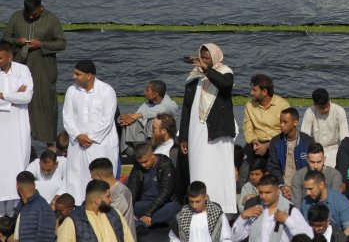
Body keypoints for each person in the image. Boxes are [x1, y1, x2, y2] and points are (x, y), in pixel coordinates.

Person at [180, 44, 238, 216]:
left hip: (217, 132)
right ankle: (199, 205)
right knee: (199, 168)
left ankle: (222, 209)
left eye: (207, 58)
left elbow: (225, 84)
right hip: (196, 131)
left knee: (219, 169)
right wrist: (183, 136)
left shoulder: (225, 72)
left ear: (215, 57)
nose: (203, 61)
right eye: (202, 57)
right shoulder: (193, 77)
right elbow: (186, 109)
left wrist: (206, 69)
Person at [2, 0, 65, 145]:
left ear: (41, 8)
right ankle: (18, 143)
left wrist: (41, 44)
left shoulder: (51, 19)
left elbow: (61, 43)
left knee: (45, 107)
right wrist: (18, 41)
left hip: (43, 70)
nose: (30, 16)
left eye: (34, 14)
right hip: (19, 68)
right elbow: (5, 38)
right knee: (19, 103)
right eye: (28, 14)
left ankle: (50, 147)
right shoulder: (17, 17)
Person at [62, 61, 118, 202]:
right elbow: (67, 116)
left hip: (100, 144)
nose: (74, 77)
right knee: (76, 177)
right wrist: (78, 135)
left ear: (89, 76)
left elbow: (107, 120)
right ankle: (77, 207)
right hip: (77, 144)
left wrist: (90, 138)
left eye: (78, 74)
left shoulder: (106, 90)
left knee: (99, 177)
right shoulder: (71, 91)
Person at [232, 174, 313, 242]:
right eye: (261, 192)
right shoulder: (257, 211)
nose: (263, 196)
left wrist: (287, 220)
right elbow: (235, 238)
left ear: (277, 190)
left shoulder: (289, 210)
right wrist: (243, 216)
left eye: (267, 192)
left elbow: (308, 236)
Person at [56, 179, 137, 242]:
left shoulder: (115, 215)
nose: (110, 200)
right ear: (97, 200)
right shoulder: (72, 221)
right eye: (107, 197)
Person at [156, 181, 233, 242]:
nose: (194, 205)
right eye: (191, 202)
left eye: (198, 201)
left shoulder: (217, 215)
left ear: (206, 197)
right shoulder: (182, 215)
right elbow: (173, 238)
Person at [0, 42, 32, 216]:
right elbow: (20, 97)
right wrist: (14, 96)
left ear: (10, 57)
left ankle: (13, 211)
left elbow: (27, 96)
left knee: (16, 164)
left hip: (17, 125)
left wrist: (4, 95)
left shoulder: (22, 71)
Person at [119, 80, 178, 158]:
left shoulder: (169, 104)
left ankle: (145, 151)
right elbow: (135, 117)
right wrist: (124, 118)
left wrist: (140, 115)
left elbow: (162, 109)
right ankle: (131, 151)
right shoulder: (147, 104)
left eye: (147, 91)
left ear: (154, 94)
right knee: (130, 122)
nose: (144, 92)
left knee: (153, 120)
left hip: (160, 138)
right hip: (145, 136)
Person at [4, 171, 56, 242]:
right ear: (34, 185)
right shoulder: (22, 207)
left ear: (17, 186)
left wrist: (9, 240)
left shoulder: (40, 209)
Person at [127, 142, 179, 228]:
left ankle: (141, 223)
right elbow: (131, 189)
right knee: (128, 206)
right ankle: (146, 221)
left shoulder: (165, 164)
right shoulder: (137, 167)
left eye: (145, 161)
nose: (143, 165)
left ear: (152, 155)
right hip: (144, 204)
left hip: (162, 204)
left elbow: (165, 193)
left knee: (174, 207)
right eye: (140, 163)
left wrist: (148, 213)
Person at [244, 73, 291, 163]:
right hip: (257, 143)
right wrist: (255, 142)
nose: (251, 93)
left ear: (264, 92)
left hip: (277, 144)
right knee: (244, 157)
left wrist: (268, 146)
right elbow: (248, 131)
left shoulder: (282, 105)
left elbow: (287, 133)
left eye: (254, 90)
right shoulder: (249, 106)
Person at [88, 157, 137, 239]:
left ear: (98, 177)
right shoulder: (104, 191)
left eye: (93, 179)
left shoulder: (121, 193)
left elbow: (108, 217)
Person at [268, 107, 315, 192]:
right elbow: (273, 167)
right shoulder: (275, 142)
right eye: (281, 121)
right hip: (281, 186)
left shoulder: (308, 142)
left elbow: (311, 168)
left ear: (295, 123)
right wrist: (282, 186)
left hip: (303, 187)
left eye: (285, 122)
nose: (281, 125)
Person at [303, 88, 349, 166]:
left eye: (327, 106)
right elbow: (305, 137)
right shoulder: (309, 112)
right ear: (315, 105)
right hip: (316, 151)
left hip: (335, 150)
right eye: (322, 108)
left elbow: (344, 138)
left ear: (329, 99)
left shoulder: (339, 111)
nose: (326, 110)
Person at [300, 170, 349, 234]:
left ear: (321, 185)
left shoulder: (340, 200)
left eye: (310, 189)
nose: (308, 193)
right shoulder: (305, 202)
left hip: (336, 240)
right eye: (307, 189)